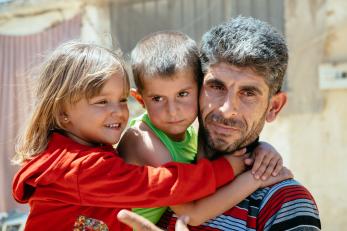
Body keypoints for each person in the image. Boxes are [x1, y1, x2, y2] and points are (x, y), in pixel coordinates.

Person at [12, 41, 257, 231]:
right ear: (63, 113)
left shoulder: (77, 157)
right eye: (102, 102)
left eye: (121, 100)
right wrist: (227, 168)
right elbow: (161, 185)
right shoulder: (78, 167)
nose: (117, 111)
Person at [120, 17, 321, 230]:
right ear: (197, 90)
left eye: (248, 93)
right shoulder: (170, 173)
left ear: (274, 107)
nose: (227, 108)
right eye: (216, 87)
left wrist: (257, 164)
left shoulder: (284, 202)